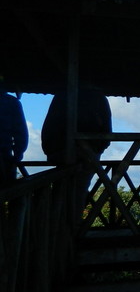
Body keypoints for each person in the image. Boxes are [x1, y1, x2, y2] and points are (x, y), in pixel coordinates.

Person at [41, 86, 112, 215]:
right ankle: (74, 226)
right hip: (88, 156)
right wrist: (94, 151)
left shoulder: (62, 95)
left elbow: (49, 127)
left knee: (60, 191)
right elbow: (107, 134)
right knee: (79, 192)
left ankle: (60, 228)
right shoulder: (99, 98)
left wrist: (51, 151)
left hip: (61, 153)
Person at [0, 85, 28, 185]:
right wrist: (17, 156)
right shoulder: (11, 102)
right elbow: (21, 133)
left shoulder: (11, 102)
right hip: (4, 158)